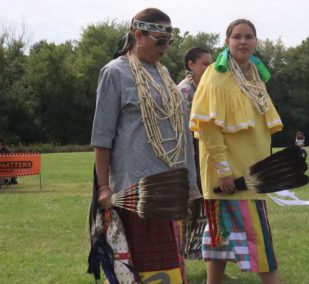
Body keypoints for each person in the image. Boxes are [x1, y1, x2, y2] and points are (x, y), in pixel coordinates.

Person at [90, 8, 199, 283]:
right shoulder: (115, 72)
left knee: (171, 268)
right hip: (134, 191)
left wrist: (190, 184)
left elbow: (182, 135)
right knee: (138, 271)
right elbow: (102, 138)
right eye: (159, 41)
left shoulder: (164, 76)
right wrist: (104, 187)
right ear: (138, 35)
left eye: (168, 42)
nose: (164, 48)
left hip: (168, 188)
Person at [190, 19, 283, 284]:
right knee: (259, 243)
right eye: (237, 37)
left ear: (256, 41)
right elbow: (208, 129)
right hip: (231, 177)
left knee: (219, 241)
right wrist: (224, 171)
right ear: (227, 41)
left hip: (252, 171)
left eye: (249, 37)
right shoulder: (216, 77)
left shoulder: (253, 75)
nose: (243, 42)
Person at [177, 47, 212, 260]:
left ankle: (212, 265)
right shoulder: (183, 92)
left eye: (211, 64)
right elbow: (182, 135)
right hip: (189, 161)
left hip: (205, 159)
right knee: (186, 213)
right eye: (205, 64)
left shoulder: (207, 88)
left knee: (207, 215)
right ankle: (178, 264)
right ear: (191, 65)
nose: (210, 68)